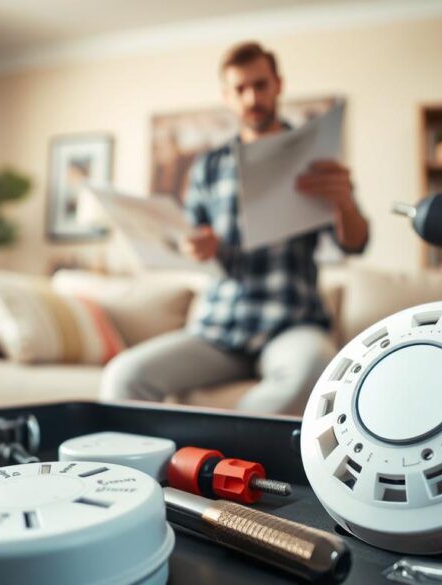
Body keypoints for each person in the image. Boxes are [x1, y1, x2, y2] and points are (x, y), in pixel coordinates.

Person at [100, 41, 369, 414]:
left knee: (314, 367)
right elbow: (189, 242)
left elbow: (356, 244)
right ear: (227, 97)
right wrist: (195, 249)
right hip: (219, 328)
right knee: (124, 375)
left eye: (260, 85)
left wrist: (345, 202)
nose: (251, 97)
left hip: (293, 324)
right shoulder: (208, 167)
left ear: (278, 85)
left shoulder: (314, 157)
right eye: (240, 89)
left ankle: (224, 449)